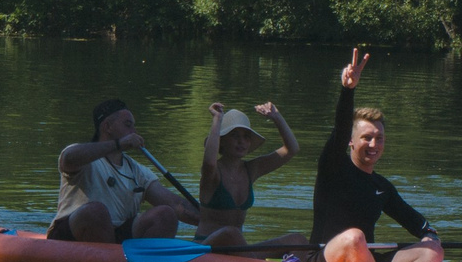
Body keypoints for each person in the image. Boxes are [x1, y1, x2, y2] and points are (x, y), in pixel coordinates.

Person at [311, 46, 444, 262]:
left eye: (379, 138)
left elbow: (413, 220)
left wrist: (429, 234)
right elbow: (341, 128)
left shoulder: (381, 187)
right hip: (325, 259)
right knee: (354, 237)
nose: (374, 145)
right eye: (366, 138)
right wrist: (348, 90)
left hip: (366, 261)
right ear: (351, 141)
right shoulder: (333, 167)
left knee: (433, 251)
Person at [49, 97, 195, 244]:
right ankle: (110, 256)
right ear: (108, 127)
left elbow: (177, 206)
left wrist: (207, 219)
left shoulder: (138, 171)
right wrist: (119, 144)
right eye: (128, 125)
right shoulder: (84, 156)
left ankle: (138, 259)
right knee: (95, 212)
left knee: (165, 214)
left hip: (116, 236)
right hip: (72, 233)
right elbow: (69, 158)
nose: (134, 132)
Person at [192, 100, 299, 249]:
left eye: (246, 136)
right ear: (222, 141)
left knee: (297, 239)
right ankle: (253, 260)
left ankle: (254, 259)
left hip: (239, 250)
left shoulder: (252, 169)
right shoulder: (212, 172)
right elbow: (209, 162)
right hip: (206, 248)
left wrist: (276, 117)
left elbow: (291, 149)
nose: (241, 142)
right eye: (235, 136)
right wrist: (217, 119)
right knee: (230, 233)